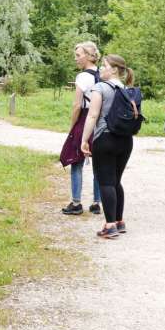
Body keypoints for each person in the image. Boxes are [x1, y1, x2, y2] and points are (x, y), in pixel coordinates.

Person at [80, 55, 135, 239]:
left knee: (105, 182)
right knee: (116, 181)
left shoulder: (100, 88)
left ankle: (109, 225)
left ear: (113, 70)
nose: (100, 69)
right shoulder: (127, 89)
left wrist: (84, 139)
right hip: (125, 140)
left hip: (105, 138)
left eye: (103, 66)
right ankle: (119, 222)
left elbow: (92, 115)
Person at [60, 42, 102, 215]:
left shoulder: (82, 77)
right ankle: (96, 202)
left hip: (85, 117)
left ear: (89, 56)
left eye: (78, 55)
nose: (76, 59)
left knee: (75, 159)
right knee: (98, 163)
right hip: (100, 120)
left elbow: (77, 105)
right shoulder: (102, 74)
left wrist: (72, 126)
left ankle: (76, 202)